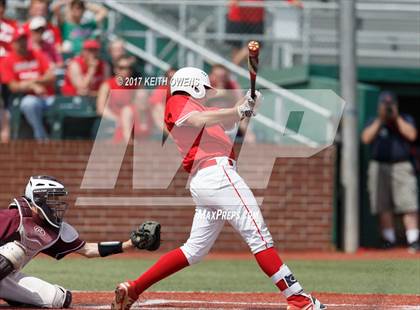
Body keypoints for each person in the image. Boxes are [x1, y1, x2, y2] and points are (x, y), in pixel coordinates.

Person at [111, 67, 326, 310]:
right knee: (259, 238)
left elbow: (230, 118)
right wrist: (237, 109)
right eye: (203, 89)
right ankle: (298, 299)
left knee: (194, 250)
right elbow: (197, 119)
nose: (206, 94)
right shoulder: (178, 101)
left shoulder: (203, 109)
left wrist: (249, 102)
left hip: (207, 181)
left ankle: (134, 288)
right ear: (192, 85)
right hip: (217, 175)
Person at [0, 175, 161, 308]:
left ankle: (11, 294)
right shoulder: (14, 217)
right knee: (13, 252)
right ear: (38, 199)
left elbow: (88, 250)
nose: (57, 205)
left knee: (59, 299)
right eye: (52, 199)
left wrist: (130, 244)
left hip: (6, 277)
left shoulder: (55, 230)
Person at [361, 91, 419, 252]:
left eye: (390, 104)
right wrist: (381, 119)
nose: (387, 107)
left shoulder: (405, 119)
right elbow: (365, 138)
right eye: (385, 105)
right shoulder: (374, 120)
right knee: (383, 205)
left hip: (402, 165)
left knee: (408, 203)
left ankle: (413, 241)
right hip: (379, 166)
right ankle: (389, 240)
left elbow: (412, 135)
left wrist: (396, 117)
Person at [2, 28, 55, 140]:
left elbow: (51, 77)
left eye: (24, 40)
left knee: (63, 104)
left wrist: (33, 82)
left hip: (46, 97)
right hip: (22, 99)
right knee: (29, 103)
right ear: (13, 43)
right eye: (19, 40)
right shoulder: (7, 60)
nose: (22, 43)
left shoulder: (37, 54)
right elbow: (13, 86)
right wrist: (32, 86)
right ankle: (42, 137)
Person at [96, 55, 153, 143]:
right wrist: (119, 119)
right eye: (122, 68)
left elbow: (144, 105)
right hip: (113, 122)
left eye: (129, 68)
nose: (126, 71)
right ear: (115, 69)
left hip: (134, 123)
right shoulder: (107, 85)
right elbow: (101, 109)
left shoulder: (136, 85)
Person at [209, 64, 256, 143]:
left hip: (230, 113)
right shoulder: (207, 83)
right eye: (217, 76)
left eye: (223, 76)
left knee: (243, 117)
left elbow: (242, 100)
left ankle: (252, 143)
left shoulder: (232, 85)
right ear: (212, 75)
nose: (220, 79)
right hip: (210, 113)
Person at [226, 0, 265, 65]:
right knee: (236, 48)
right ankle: (234, 69)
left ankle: (232, 67)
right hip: (237, 18)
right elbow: (231, 2)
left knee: (253, 48)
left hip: (256, 19)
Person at [0, 0, 18, 143]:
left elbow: (17, 48)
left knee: (7, 103)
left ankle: (6, 131)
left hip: (7, 70)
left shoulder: (11, 26)